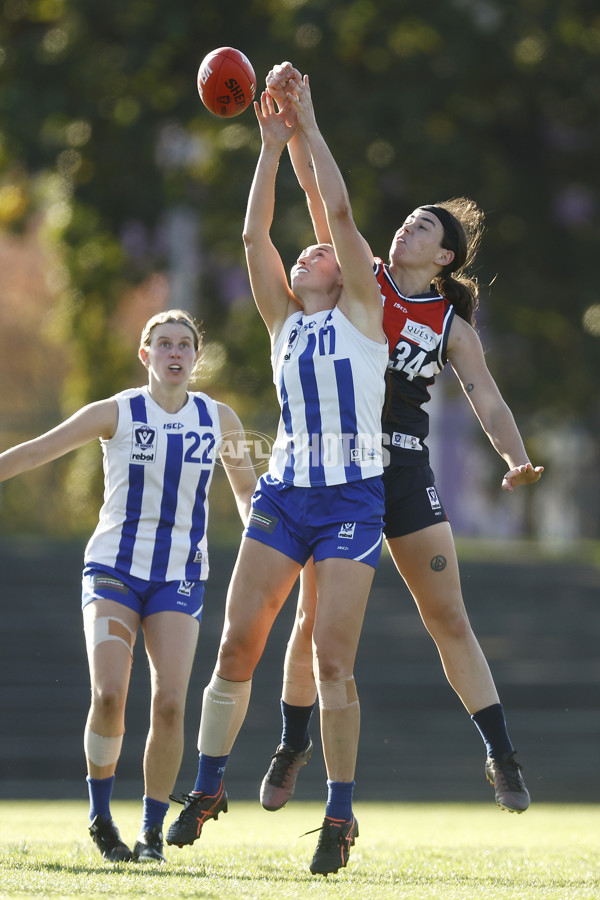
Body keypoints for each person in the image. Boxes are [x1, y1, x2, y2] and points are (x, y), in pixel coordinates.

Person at [258, 62, 544, 818]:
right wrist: (297, 124)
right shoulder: (362, 277)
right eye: (409, 217)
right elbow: (330, 203)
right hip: (334, 469)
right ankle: (292, 742)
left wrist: (515, 458)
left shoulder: (449, 324)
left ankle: (501, 755)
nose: (407, 226)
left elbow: (487, 396)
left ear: (445, 257)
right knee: (310, 622)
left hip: (402, 469)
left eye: (425, 226)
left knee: (448, 617)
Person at [165, 75, 388, 877]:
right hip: (286, 495)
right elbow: (255, 236)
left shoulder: (362, 312)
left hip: (353, 500)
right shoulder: (285, 323)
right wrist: (266, 147)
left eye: (320, 251)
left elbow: (337, 212)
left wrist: (310, 125)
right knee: (235, 646)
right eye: (307, 255)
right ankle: (209, 786)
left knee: (331, 660)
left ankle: (338, 810)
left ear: (345, 270)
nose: (310, 250)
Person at [0, 309, 256, 863]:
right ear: (145, 354)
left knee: (168, 703)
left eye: (185, 344)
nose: (174, 353)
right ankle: (99, 815)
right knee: (109, 694)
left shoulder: (220, 419)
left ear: (195, 356)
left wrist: (276, 544)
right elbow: (38, 450)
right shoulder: (116, 412)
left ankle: (150, 834)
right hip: (114, 569)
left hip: (180, 575)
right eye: (163, 343)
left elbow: (244, 491)